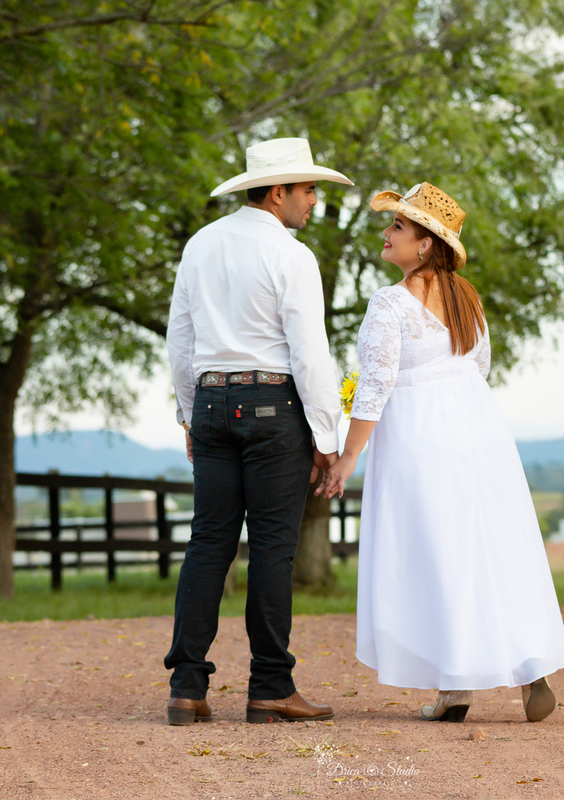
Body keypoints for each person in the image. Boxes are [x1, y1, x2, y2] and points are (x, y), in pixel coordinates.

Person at [317, 182, 564, 723]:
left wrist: (348, 456)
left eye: (398, 227)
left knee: (438, 550)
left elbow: (377, 384)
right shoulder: (468, 298)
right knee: (491, 544)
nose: (386, 234)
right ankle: (528, 670)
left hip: (421, 434)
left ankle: (453, 685)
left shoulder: (391, 302)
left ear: (426, 244)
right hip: (479, 429)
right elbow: (477, 368)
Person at [163, 138, 350, 725]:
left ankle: (187, 688)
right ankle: (270, 686)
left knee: (208, 542)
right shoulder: (291, 255)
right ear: (278, 193)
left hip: (213, 400)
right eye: (308, 190)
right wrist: (327, 437)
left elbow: (181, 341)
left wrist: (190, 414)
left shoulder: (201, 244)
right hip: (272, 405)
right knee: (272, 548)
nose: (315, 201)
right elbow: (309, 353)